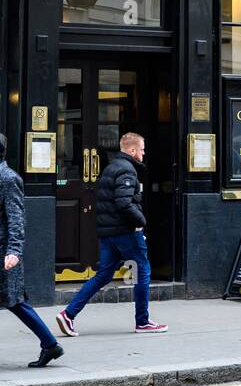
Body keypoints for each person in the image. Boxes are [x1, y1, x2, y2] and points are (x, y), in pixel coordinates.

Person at [55, 133, 167, 336]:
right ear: (132, 151)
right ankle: (142, 322)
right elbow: (123, 202)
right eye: (142, 149)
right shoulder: (127, 170)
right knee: (142, 271)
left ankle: (68, 314)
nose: (143, 152)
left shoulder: (111, 168)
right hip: (125, 232)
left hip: (108, 233)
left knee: (103, 275)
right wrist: (141, 222)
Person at [0, 134, 63, 367]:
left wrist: (14, 251)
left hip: (4, 252)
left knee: (16, 301)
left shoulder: (8, 178)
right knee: (16, 302)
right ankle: (50, 345)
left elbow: (16, 218)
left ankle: (50, 344)